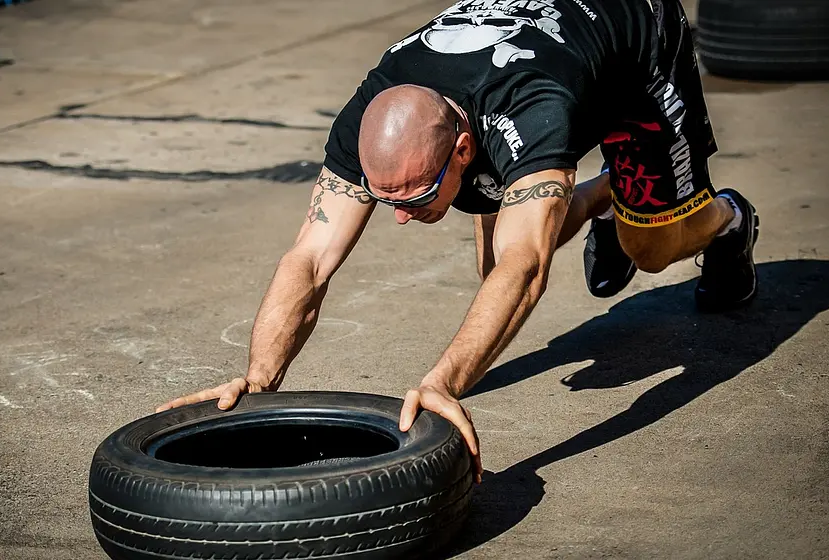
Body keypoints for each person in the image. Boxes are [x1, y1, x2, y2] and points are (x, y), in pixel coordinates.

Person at [157, 0, 759, 483]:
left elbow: (525, 270)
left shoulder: (533, 112)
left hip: (635, 48)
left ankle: (729, 219)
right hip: (537, 72)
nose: (399, 219)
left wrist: (441, 382)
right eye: (384, 197)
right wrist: (260, 380)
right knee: (491, 264)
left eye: (415, 198)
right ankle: (608, 193)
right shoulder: (369, 113)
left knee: (647, 250)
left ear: (464, 152)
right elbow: (310, 260)